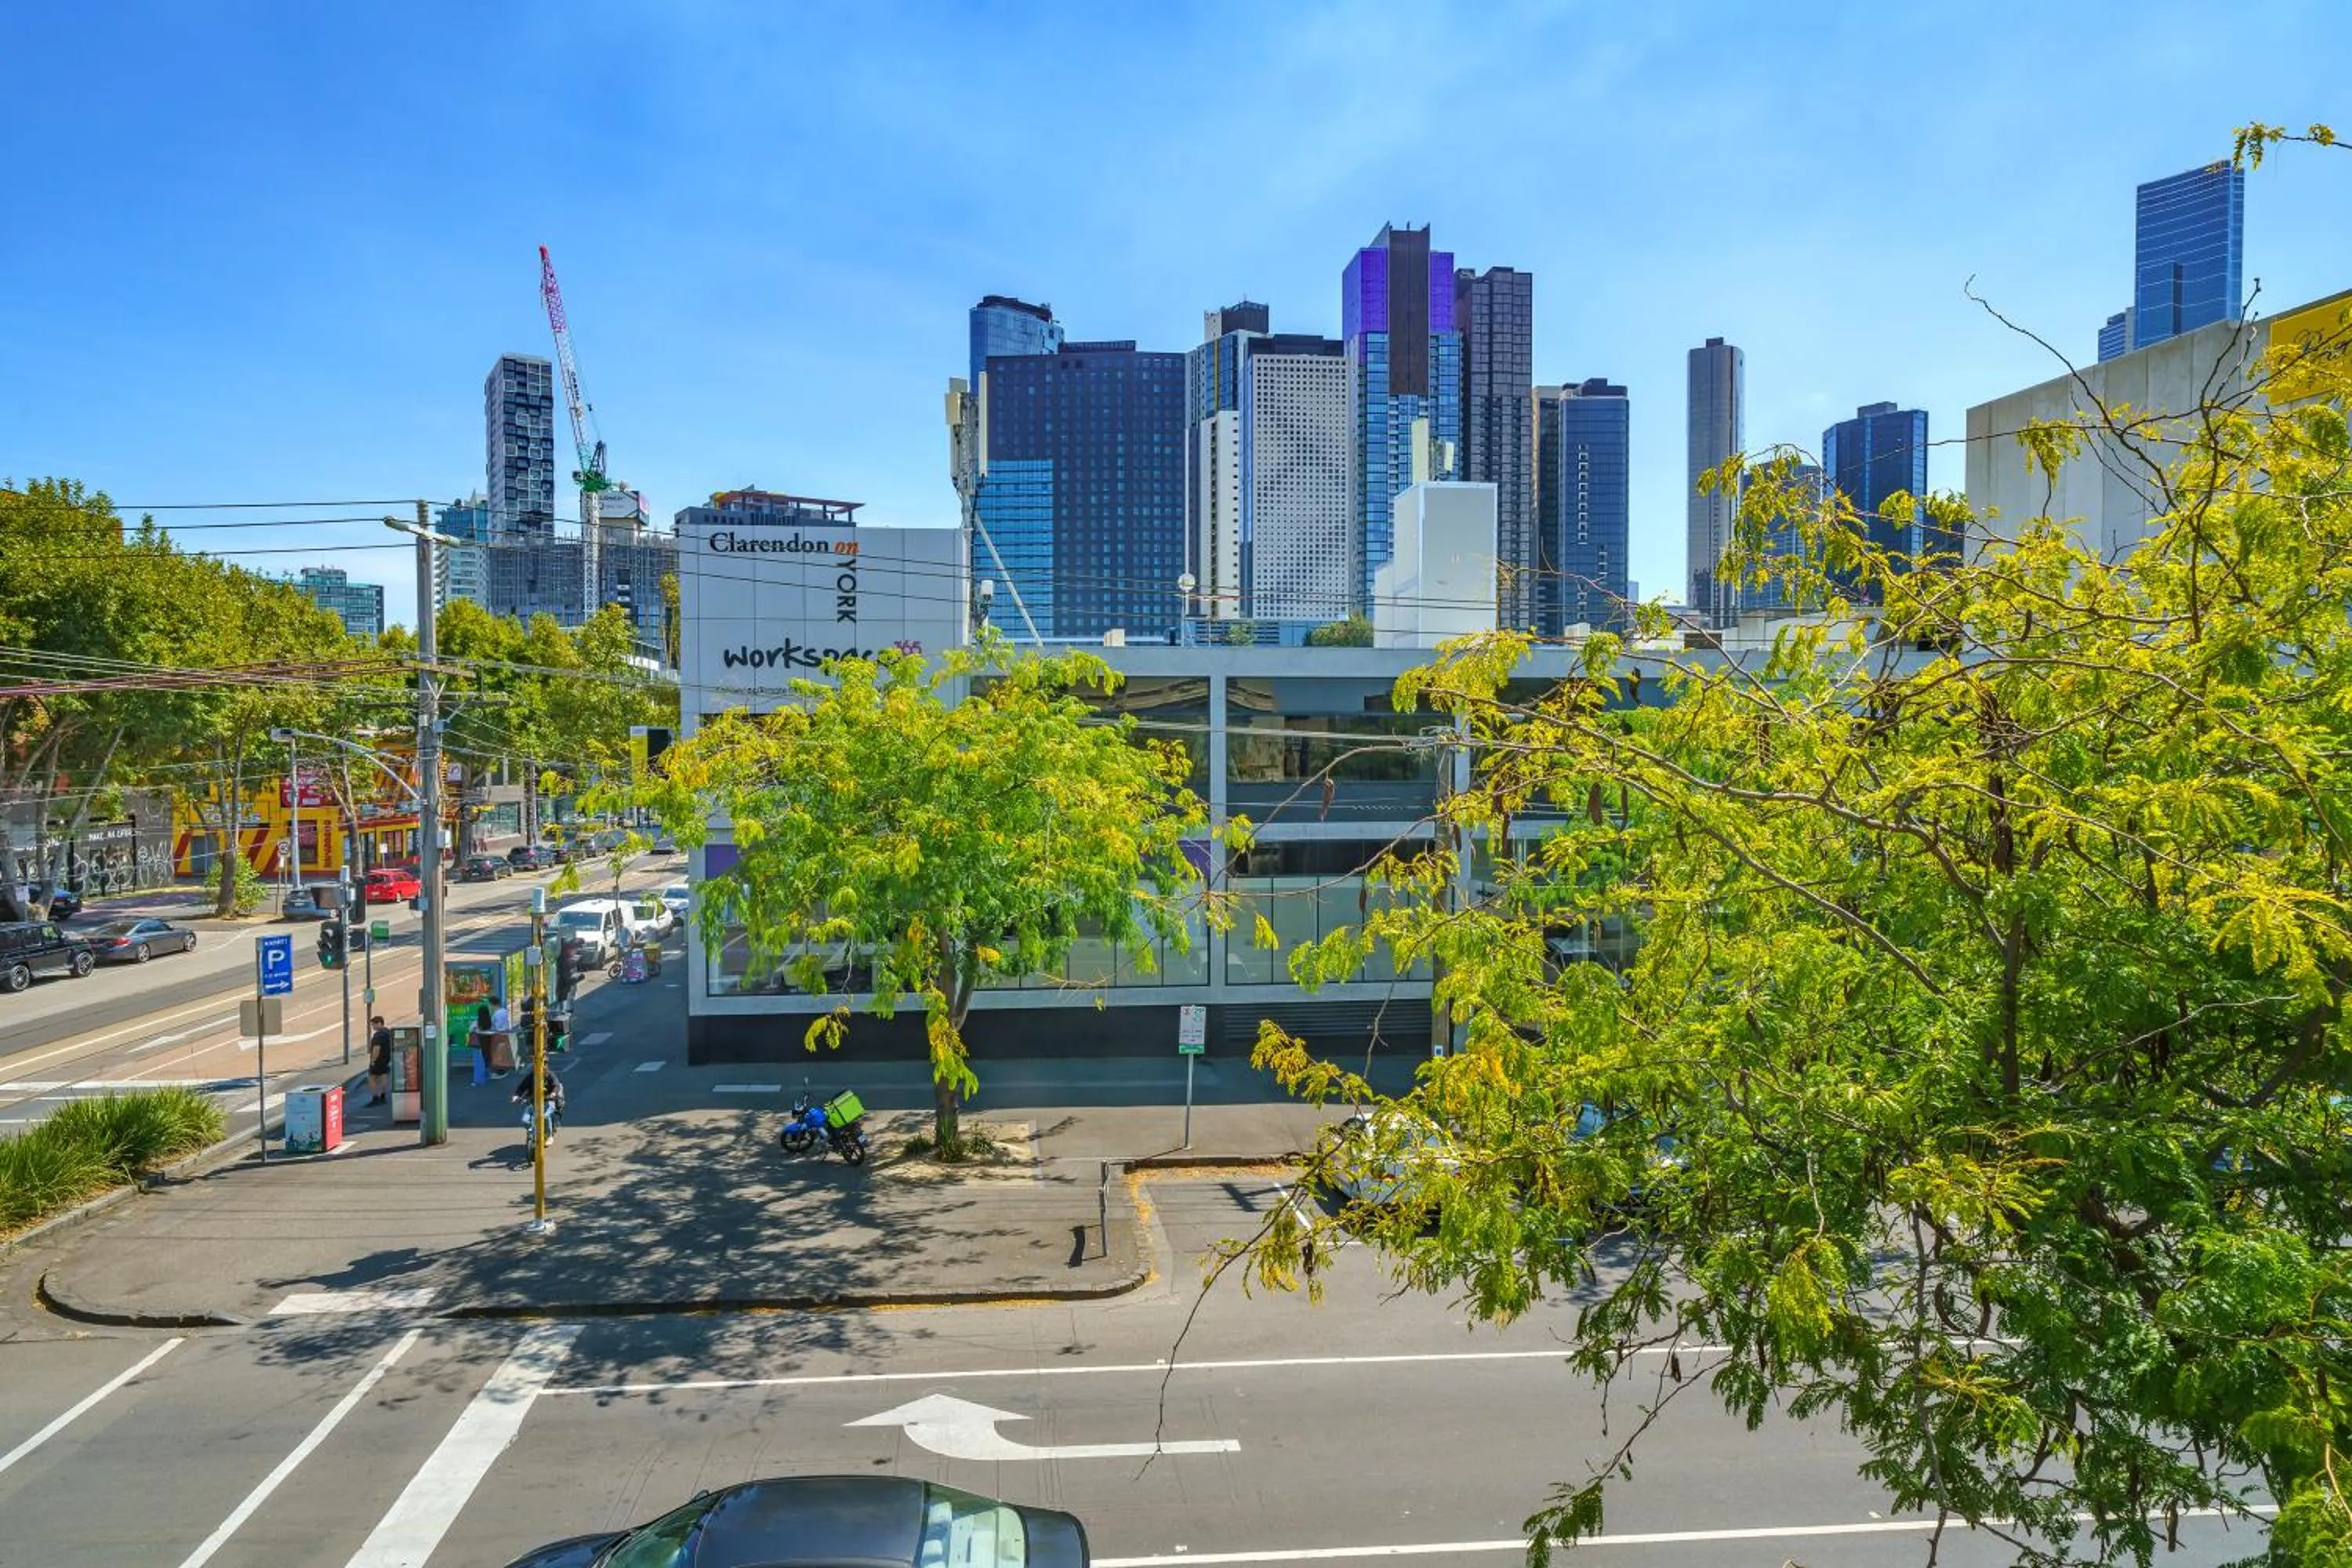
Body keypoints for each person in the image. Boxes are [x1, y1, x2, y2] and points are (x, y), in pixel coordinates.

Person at [511, 1061, 565, 1140]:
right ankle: (532, 1131)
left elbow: (556, 1085)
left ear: (546, 1066)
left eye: (544, 1065)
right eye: (537, 1065)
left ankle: (549, 1136)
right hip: (533, 1101)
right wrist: (516, 1096)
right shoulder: (531, 1076)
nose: (541, 1067)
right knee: (525, 1120)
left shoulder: (550, 1075)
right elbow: (522, 1087)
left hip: (548, 1101)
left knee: (545, 1117)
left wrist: (553, 1093)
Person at [365, 1014, 392, 1106]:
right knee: (384, 1077)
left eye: (374, 1025)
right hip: (387, 1059)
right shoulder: (388, 1032)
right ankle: (383, 1097)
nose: (373, 1027)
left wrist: (373, 1061)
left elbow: (377, 1049)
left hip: (378, 1060)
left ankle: (375, 1097)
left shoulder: (378, 1035)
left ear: (379, 1023)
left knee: (371, 1078)